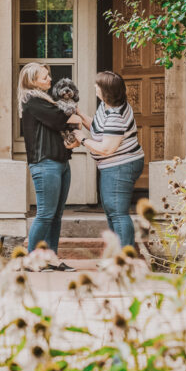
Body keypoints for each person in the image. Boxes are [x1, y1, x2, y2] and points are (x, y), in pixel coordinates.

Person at [18, 62, 81, 271]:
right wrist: (76, 118)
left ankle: (51, 257)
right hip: (46, 163)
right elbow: (58, 120)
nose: (50, 80)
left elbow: (63, 120)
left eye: (48, 76)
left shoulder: (45, 99)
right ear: (32, 81)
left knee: (55, 214)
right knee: (45, 213)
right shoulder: (32, 100)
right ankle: (31, 259)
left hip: (60, 162)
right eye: (45, 77)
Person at [75, 71, 144, 248]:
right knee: (112, 211)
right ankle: (116, 254)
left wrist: (82, 139)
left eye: (97, 85)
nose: (94, 87)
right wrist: (81, 116)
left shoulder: (115, 115)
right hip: (113, 166)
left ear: (106, 91)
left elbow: (107, 148)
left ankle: (125, 259)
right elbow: (99, 129)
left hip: (121, 166)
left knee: (118, 212)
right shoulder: (106, 106)